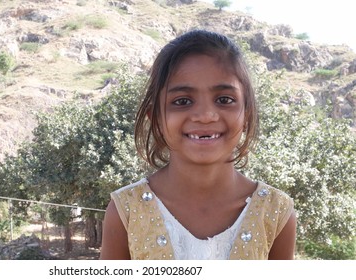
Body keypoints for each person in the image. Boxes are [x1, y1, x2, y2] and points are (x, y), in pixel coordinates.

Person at [99, 29, 296, 260]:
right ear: (156, 118)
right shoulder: (126, 210)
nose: (205, 115)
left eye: (225, 100)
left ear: (247, 115)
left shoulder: (276, 212)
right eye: (182, 101)